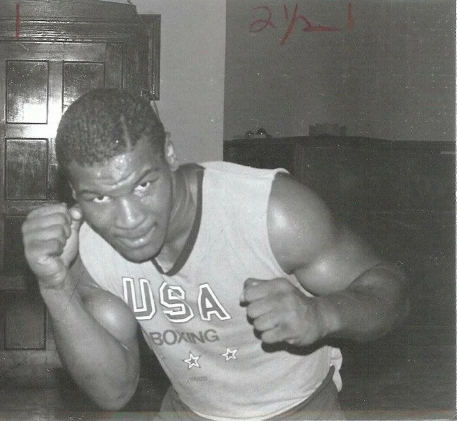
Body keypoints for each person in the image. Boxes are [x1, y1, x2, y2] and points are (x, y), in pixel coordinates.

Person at [22, 88, 409, 420]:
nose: (129, 220)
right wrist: (55, 286)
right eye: (99, 197)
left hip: (299, 409)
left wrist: (322, 314)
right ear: (74, 192)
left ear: (169, 153)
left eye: (142, 185)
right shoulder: (89, 248)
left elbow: (391, 290)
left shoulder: (271, 212)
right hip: (188, 411)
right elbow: (114, 392)